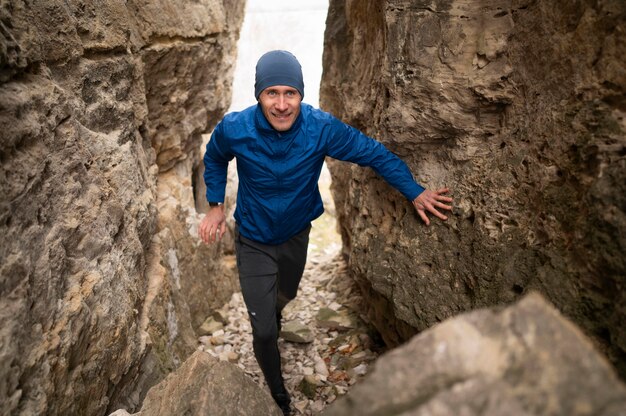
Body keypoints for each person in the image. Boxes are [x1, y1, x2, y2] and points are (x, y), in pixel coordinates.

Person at [199, 50, 452, 415]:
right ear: (259, 95)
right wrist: (215, 205)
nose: (282, 104)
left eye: (291, 93)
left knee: (285, 295)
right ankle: (278, 395)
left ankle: (276, 310)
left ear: (301, 95)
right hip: (253, 237)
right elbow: (215, 156)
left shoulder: (321, 128)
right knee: (264, 330)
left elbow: (373, 153)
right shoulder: (235, 128)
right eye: (272, 93)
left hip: (296, 234)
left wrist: (415, 191)